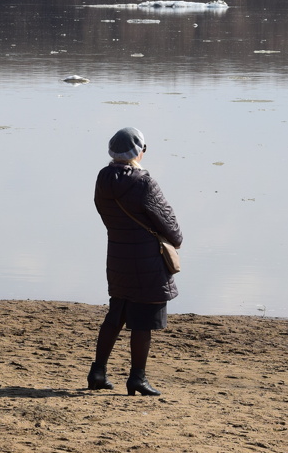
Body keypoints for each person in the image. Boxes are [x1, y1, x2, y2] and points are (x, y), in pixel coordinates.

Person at [87, 127, 182, 396]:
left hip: (117, 256)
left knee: (116, 315)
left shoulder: (103, 178)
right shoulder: (144, 182)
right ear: (139, 151)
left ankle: (97, 372)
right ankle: (137, 379)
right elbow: (172, 229)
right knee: (143, 321)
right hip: (148, 261)